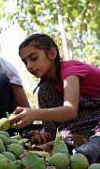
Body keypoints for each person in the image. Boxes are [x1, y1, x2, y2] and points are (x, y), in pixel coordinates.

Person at [10, 33, 100, 162]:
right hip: (89, 115)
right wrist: (43, 133)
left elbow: (70, 111)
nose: (29, 66)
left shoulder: (70, 71)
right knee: (44, 90)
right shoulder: (48, 87)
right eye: (25, 62)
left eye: (33, 58)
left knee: (89, 143)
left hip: (95, 113)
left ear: (52, 54)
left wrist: (34, 113)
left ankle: (86, 145)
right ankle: (64, 142)